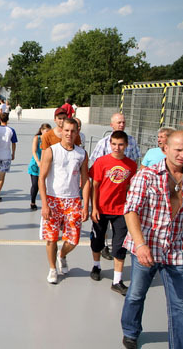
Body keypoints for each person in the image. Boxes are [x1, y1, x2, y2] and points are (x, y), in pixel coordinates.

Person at [120, 131, 183, 349]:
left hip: (178, 250)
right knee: (136, 295)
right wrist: (141, 244)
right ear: (166, 149)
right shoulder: (146, 176)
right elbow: (131, 210)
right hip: (147, 247)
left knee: (181, 307)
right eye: (178, 150)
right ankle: (131, 331)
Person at [39, 118, 89, 284]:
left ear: (77, 132)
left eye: (73, 131)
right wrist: (45, 204)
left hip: (73, 200)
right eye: (66, 130)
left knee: (74, 239)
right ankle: (52, 269)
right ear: (61, 131)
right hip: (54, 199)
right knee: (51, 238)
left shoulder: (81, 154)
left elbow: (85, 180)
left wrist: (85, 205)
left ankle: (62, 255)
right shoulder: (51, 151)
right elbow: (42, 178)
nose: (69, 134)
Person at [88, 131, 137, 295]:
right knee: (97, 241)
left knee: (120, 245)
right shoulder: (101, 162)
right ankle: (96, 266)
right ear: (110, 144)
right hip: (101, 209)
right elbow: (94, 186)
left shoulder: (131, 165)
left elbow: (131, 188)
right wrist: (93, 208)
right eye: (114, 144)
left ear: (126, 145)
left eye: (121, 144)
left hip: (120, 211)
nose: (117, 147)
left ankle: (117, 280)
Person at [89, 112, 141, 260]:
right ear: (111, 125)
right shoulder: (103, 143)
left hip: (122, 192)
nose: (121, 125)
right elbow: (97, 166)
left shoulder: (132, 141)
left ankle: (117, 255)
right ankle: (103, 246)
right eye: (118, 122)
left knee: (119, 230)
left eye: (123, 122)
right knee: (101, 228)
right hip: (106, 192)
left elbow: (135, 163)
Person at [0, 112, 18, 201]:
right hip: (6, 155)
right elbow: (14, 143)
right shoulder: (11, 130)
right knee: (2, 176)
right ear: (8, 120)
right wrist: (13, 153)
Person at [27, 123, 52, 210]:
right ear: (41, 131)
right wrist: (38, 161)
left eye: (49, 132)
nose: (48, 133)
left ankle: (47, 202)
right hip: (35, 164)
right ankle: (32, 202)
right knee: (35, 184)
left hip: (46, 165)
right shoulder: (37, 138)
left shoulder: (50, 140)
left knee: (46, 184)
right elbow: (34, 151)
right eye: (46, 131)